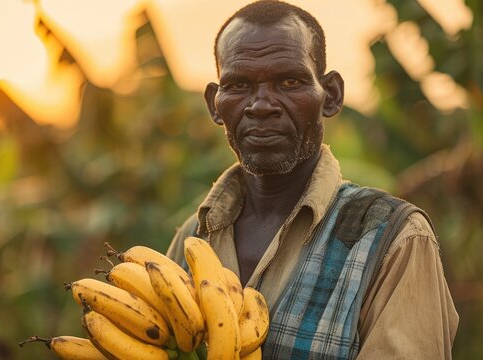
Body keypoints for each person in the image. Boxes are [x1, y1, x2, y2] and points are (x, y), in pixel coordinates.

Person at [166, 1, 458, 358]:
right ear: (215, 104)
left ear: (330, 95)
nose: (261, 105)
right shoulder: (192, 239)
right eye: (239, 85)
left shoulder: (393, 238)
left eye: (289, 81)